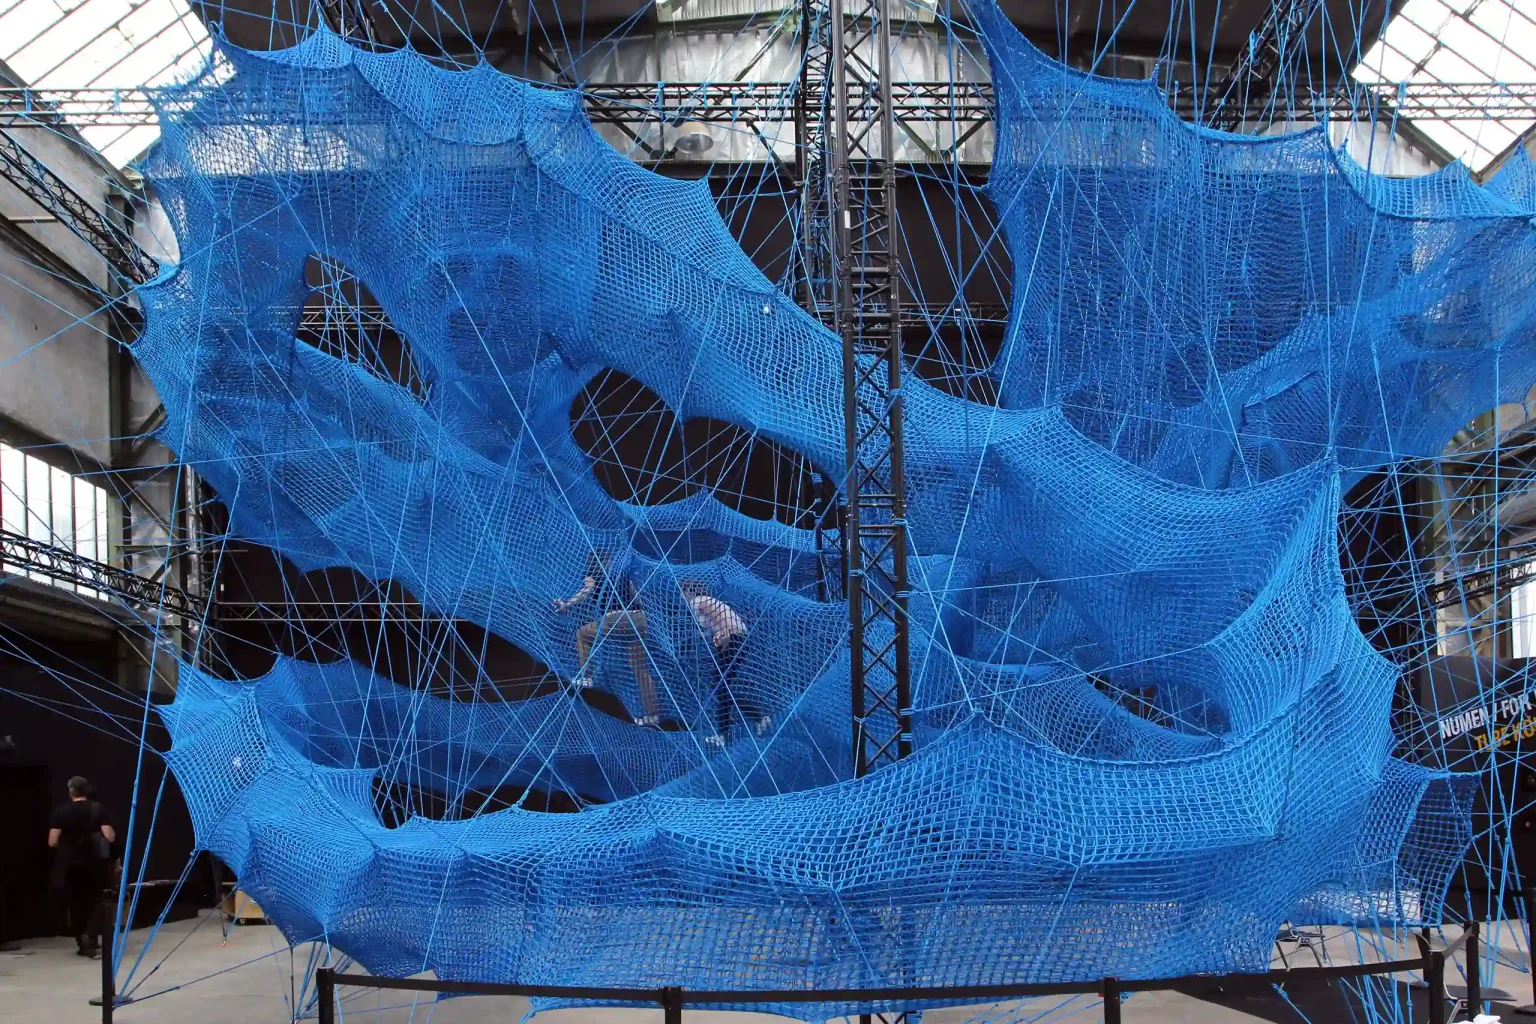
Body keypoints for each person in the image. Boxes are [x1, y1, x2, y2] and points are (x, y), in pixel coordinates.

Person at [553, 550, 662, 726]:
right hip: (639, 619)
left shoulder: (593, 574)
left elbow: (587, 590)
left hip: (617, 618)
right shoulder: (623, 574)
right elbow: (637, 596)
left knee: (582, 634)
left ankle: (586, 676)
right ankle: (653, 714)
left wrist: (568, 604)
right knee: (640, 670)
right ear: (608, 560)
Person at [681, 580, 764, 748]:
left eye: (683, 592)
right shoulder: (706, 602)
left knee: (721, 688)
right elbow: (712, 626)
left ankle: (737, 727)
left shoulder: (697, 601)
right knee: (722, 689)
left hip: (732, 640)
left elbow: (722, 618)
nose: (682, 596)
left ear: (689, 590)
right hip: (737, 640)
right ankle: (746, 720)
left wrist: (726, 634)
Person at [47, 777, 115, 958]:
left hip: (71, 865)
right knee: (97, 899)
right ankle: (91, 935)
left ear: (71, 791)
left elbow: (52, 841)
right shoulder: (98, 808)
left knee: (76, 902)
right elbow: (109, 836)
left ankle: (82, 941)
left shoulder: (61, 812)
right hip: (95, 863)